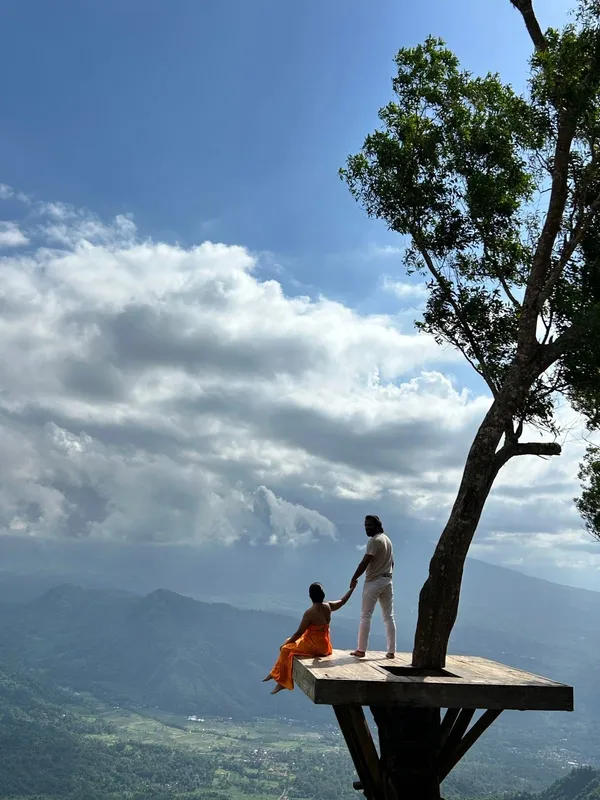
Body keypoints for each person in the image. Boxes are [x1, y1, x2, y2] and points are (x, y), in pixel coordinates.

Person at [263, 582, 355, 694]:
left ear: (310, 596)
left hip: (314, 646)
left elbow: (299, 633)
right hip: (325, 646)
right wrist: (352, 589)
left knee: (285, 649)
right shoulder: (328, 606)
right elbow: (342, 601)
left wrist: (283, 646)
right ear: (323, 595)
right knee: (288, 642)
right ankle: (274, 673)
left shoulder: (310, 613)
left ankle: (282, 682)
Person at [349, 514, 396, 659]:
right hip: (387, 580)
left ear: (377, 526)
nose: (367, 528)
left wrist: (354, 577)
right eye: (365, 525)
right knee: (388, 616)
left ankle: (361, 650)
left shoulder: (374, 541)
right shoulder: (387, 540)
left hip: (373, 581)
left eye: (369, 525)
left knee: (365, 615)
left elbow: (365, 562)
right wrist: (387, 575)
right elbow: (392, 563)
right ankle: (391, 651)